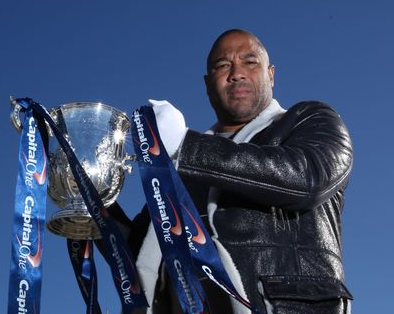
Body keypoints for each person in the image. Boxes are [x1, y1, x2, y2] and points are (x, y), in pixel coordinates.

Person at [117, 29, 353, 313]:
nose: (236, 73)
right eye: (222, 65)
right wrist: (93, 212)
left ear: (271, 74)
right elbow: (138, 247)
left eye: (250, 62)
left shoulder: (310, 120)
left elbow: (307, 179)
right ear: (207, 84)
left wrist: (185, 145)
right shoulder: (181, 169)